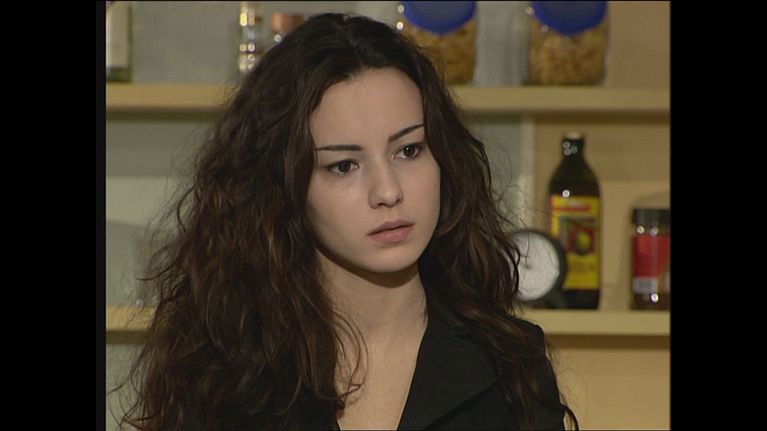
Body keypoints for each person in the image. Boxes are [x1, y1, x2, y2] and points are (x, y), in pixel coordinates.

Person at [117, 12, 578, 431]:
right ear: (283, 188)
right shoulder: (224, 377)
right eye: (343, 166)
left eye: (409, 150)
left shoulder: (510, 365)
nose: (388, 191)